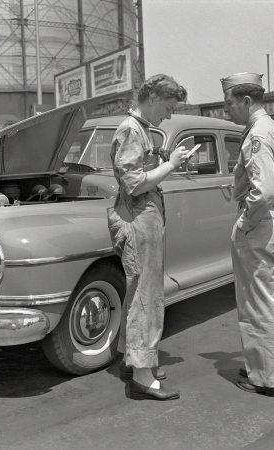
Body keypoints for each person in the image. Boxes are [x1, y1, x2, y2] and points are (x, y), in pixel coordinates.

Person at [107, 74, 188, 400]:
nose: (168, 115)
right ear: (153, 99)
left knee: (138, 291)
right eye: (168, 108)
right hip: (140, 220)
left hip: (142, 218)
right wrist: (170, 165)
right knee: (147, 296)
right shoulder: (130, 130)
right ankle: (142, 376)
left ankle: (134, 359)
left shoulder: (139, 129)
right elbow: (135, 183)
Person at [221, 72, 274, 397]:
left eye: (229, 103)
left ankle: (266, 379)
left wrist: (244, 222)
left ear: (246, 101)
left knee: (256, 305)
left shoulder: (257, 136)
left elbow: (262, 193)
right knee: (262, 302)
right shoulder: (273, 128)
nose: (227, 111)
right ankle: (261, 367)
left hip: (260, 224)